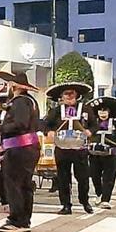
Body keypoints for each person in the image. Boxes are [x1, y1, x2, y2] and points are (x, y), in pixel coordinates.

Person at [0, 70, 41, 232]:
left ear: (14, 85)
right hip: (27, 148)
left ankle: (16, 220)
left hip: (20, 148)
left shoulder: (20, 102)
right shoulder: (30, 101)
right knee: (24, 185)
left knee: (14, 183)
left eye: (9, 83)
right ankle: (23, 220)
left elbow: (20, 124)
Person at [43, 80, 94, 215]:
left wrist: (90, 131)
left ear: (77, 95)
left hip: (80, 149)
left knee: (83, 177)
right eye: (66, 94)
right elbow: (44, 124)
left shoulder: (85, 109)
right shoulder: (55, 111)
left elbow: (95, 124)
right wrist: (49, 132)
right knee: (63, 178)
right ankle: (66, 205)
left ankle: (84, 201)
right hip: (62, 149)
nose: (69, 97)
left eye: (72, 94)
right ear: (61, 97)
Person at [86, 96, 116, 208]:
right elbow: (87, 135)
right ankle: (99, 193)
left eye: (105, 111)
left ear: (109, 112)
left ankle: (105, 199)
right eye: (100, 110)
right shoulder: (92, 124)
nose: (102, 113)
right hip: (94, 155)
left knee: (109, 178)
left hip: (110, 155)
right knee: (95, 176)